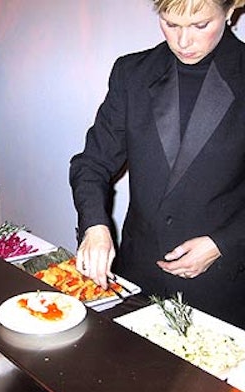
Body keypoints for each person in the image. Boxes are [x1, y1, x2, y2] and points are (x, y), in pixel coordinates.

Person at [69, 0, 245, 328]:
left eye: (200, 25)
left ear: (232, 8)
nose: (182, 41)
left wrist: (223, 243)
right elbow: (91, 163)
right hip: (139, 276)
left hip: (223, 285)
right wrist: (95, 225)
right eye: (170, 24)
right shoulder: (131, 73)